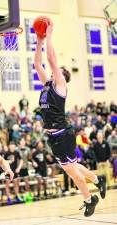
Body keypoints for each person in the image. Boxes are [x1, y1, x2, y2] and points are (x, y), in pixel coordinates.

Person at [34, 17, 106, 217]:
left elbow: (50, 60)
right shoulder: (47, 84)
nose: (55, 71)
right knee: (73, 167)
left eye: (59, 71)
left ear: (62, 76)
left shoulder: (60, 85)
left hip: (62, 135)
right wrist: (39, 40)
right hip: (55, 136)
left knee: (73, 173)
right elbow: (38, 63)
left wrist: (49, 35)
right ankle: (98, 180)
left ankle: (89, 199)